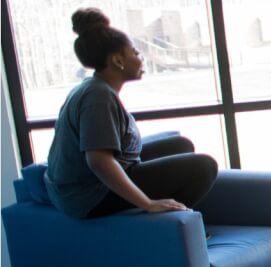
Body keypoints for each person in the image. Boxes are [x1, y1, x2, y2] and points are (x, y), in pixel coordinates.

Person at [45, 8, 217, 219]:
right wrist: (148, 203)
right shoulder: (98, 97)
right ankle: (167, 225)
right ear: (118, 61)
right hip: (90, 195)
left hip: (88, 184)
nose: (140, 58)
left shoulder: (95, 87)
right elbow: (98, 161)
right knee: (205, 167)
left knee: (181, 145)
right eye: (135, 53)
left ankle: (173, 216)